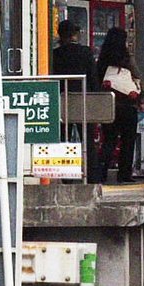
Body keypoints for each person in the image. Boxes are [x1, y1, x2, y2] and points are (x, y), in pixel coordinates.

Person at [52, 19, 102, 182]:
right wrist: (95, 98)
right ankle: (92, 177)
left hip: (61, 100)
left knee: (63, 138)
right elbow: (93, 78)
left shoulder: (55, 54)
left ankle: (66, 177)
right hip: (83, 100)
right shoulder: (86, 52)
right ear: (75, 35)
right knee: (87, 139)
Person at [96, 25, 143, 184]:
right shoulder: (127, 58)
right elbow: (137, 76)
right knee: (128, 141)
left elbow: (96, 80)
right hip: (128, 105)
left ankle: (101, 173)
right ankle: (124, 174)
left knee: (109, 139)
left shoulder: (102, 60)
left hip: (109, 105)